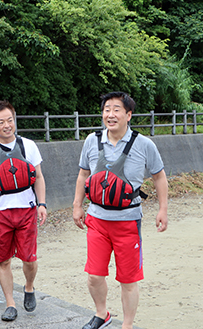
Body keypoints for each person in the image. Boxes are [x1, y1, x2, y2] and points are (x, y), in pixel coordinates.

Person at [72, 92, 168, 329]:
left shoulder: (144, 144)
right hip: (97, 218)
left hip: (128, 221)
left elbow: (159, 176)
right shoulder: (92, 141)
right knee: (94, 275)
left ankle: (127, 324)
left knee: (128, 278)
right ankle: (101, 314)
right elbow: (84, 174)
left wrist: (162, 209)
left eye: (116, 109)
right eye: (106, 109)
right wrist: (77, 205)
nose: (110, 114)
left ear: (128, 115)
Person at [0, 100, 47, 322]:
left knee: (29, 259)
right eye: (1, 122)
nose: (7, 125)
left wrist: (42, 203)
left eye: (10, 120)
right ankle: (10, 304)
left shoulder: (28, 145)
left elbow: (39, 176)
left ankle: (29, 286)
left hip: (26, 209)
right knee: (3, 260)